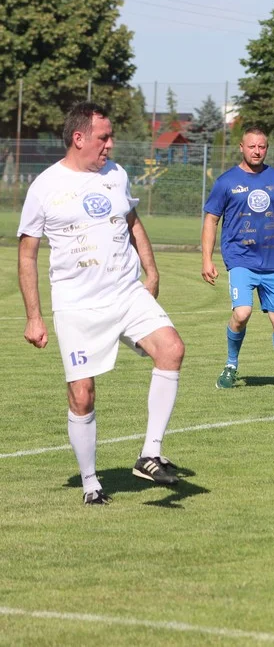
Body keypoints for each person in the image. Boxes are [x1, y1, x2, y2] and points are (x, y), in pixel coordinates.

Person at [17, 102, 186, 505]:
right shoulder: (44, 186)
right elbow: (27, 254)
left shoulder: (116, 175)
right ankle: (91, 482)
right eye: (103, 137)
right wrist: (34, 317)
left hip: (126, 292)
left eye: (110, 137)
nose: (110, 145)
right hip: (77, 305)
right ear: (79, 138)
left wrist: (152, 271)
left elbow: (131, 223)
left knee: (172, 349)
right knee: (83, 394)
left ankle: (150, 453)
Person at [201, 126, 274, 391]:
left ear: (267, 148)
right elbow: (211, 220)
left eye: (261, 147)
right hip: (240, 258)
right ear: (241, 147)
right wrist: (207, 258)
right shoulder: (226, 182)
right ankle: (230, 365)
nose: (257, 151)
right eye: (252, 146)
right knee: (242, 313)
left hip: (273, 262)